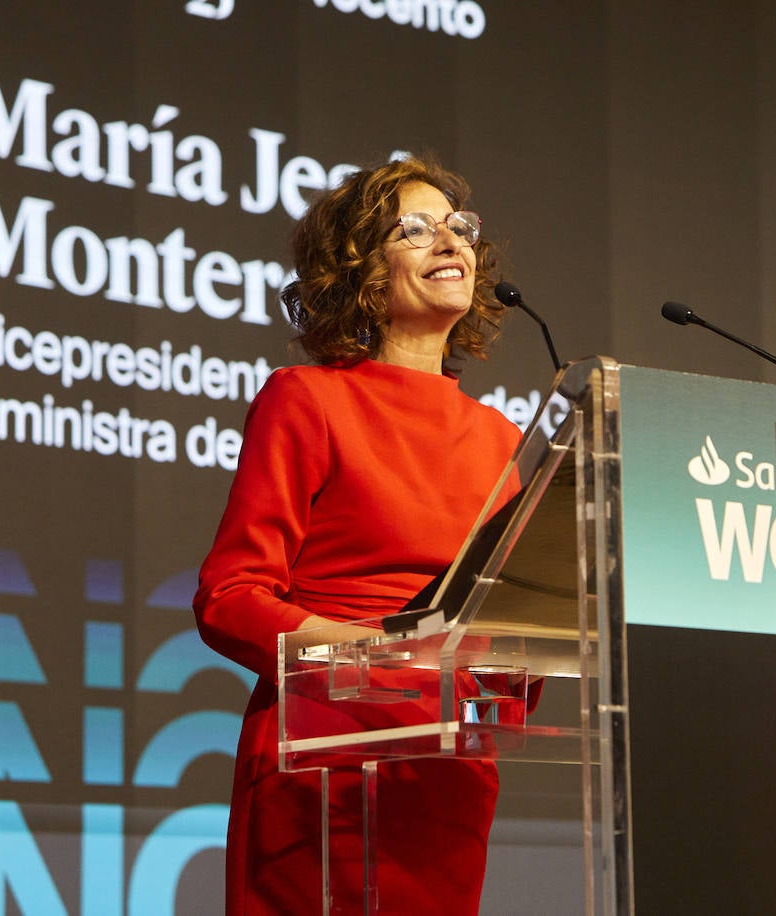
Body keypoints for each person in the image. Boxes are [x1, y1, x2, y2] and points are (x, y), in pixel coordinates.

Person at [193, 156, 522, 914]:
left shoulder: (506, 442)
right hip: (326, 756)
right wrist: (367, 656)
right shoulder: (306, 401)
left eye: (458, 228)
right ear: (363, 272)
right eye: (415, 229)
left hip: (441, 775)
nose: (450, 242)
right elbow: (231, 597)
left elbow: (514, 667)